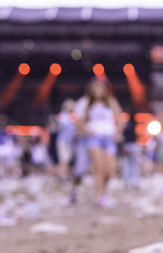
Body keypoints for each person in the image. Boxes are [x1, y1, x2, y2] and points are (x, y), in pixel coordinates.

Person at [74, 78, 123, 207]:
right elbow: (79, 121)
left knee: (111, 169)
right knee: (99, 169)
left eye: (100, 88)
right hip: (94, 138)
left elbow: (120, 117)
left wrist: (119, 132)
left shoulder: (111, 102)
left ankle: (104, 193)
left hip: (109, 138)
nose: (97, 91)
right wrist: (86, 130)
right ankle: (100, 196)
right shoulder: (86, 103)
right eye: (95, 88)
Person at [120, 110, 141, 190]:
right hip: (133, 146)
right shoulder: (134, 125)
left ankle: (128, 182)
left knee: (126, 165)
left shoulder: (127, 125)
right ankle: (135, 181)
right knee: (133, 165)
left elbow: (123, 137)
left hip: (127, 145)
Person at [56, 99, 76, 180]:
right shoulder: (63, 116)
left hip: (68, 142)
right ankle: (61, 175)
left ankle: (65, 175)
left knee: (67, 159)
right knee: (63, 159)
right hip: (63, 141)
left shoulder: (69, 117)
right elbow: (64, 129)